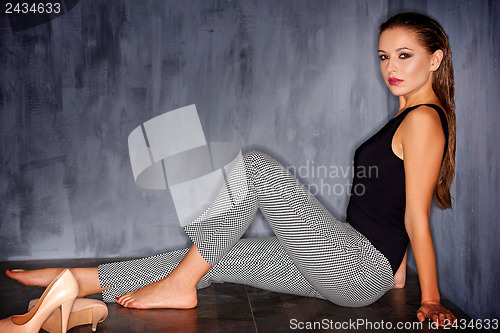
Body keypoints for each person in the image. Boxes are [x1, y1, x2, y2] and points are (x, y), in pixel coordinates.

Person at [5, 12, 457, 326]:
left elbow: (416, 215)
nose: (390, 67)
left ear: (434, 59)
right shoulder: (409, 118)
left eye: (404, 55)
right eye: (383, 56)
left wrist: (431, 299)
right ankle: (77, 280)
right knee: (215, 257)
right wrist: (398, 275)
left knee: (255, 169)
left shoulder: (422, 120)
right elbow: (391, 203)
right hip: (354, 269)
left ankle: (179, 287)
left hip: (357, 268)